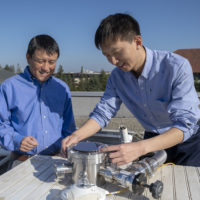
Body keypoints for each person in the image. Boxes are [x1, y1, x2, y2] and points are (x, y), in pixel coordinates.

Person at [62, 13, 200, 167]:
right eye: (107, 55)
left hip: (187, 143)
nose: (113, 61)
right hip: (151, 138)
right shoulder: (117, 78)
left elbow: (186, 124)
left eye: (117, 52)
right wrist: (76, 136)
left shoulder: (175, 67)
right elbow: (103, 113)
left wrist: (140, 148)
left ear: (137, 41)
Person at [0, 34, 76, 164]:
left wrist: (68, 147)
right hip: (22, 161)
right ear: (28, 58)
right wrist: (17, 140)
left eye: (52, 62)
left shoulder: (62, 89)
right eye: (40, 61)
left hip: (58, 160)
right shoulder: (9, 87)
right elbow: (2, 125)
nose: (46, 68)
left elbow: (69, 128)